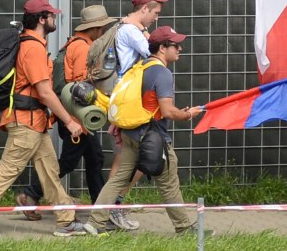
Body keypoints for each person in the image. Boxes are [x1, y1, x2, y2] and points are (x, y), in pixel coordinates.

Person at [0, 0, 91, 239]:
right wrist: (69, 121)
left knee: (50, 171)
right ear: (41, 19)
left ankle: (66, 221)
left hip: (34, 122)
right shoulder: (33, 48)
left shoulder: (31, 44)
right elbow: (44, 92)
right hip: (26, 123)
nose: (54, 19)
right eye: (51, 16)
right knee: (7, 171)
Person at [85, 26, 206, 236]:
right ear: (162, 48)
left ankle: (95, 223)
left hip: (130, 133)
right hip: (152, 137)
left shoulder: (139, 67)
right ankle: (185, 228)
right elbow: (167, 111)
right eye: (176, 45)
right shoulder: (162, 73)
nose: (181, 49)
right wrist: (187, 114)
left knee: (118, 179)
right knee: (169, 182)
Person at [15, 4, 116, 216]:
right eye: (103, 28)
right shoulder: (82, 48)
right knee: (69, 161)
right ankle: (31, 194)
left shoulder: (72, 43)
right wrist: (78, 120)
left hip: (71, 114)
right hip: (76, 116)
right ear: (95, 29)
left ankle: (101, 208)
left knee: (94, 157)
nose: (105, 31)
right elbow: (81, 88)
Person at [104, 0, 169, 230]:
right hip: (132, 102)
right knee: (127, 160)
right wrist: (142, 29)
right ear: (144, 9)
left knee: (129, 158)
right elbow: (155, 53)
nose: (156, 18)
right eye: (155, 12)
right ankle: (113, 208)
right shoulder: (132, 31)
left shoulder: (129, 28)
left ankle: (113, 207)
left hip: (130, 100)